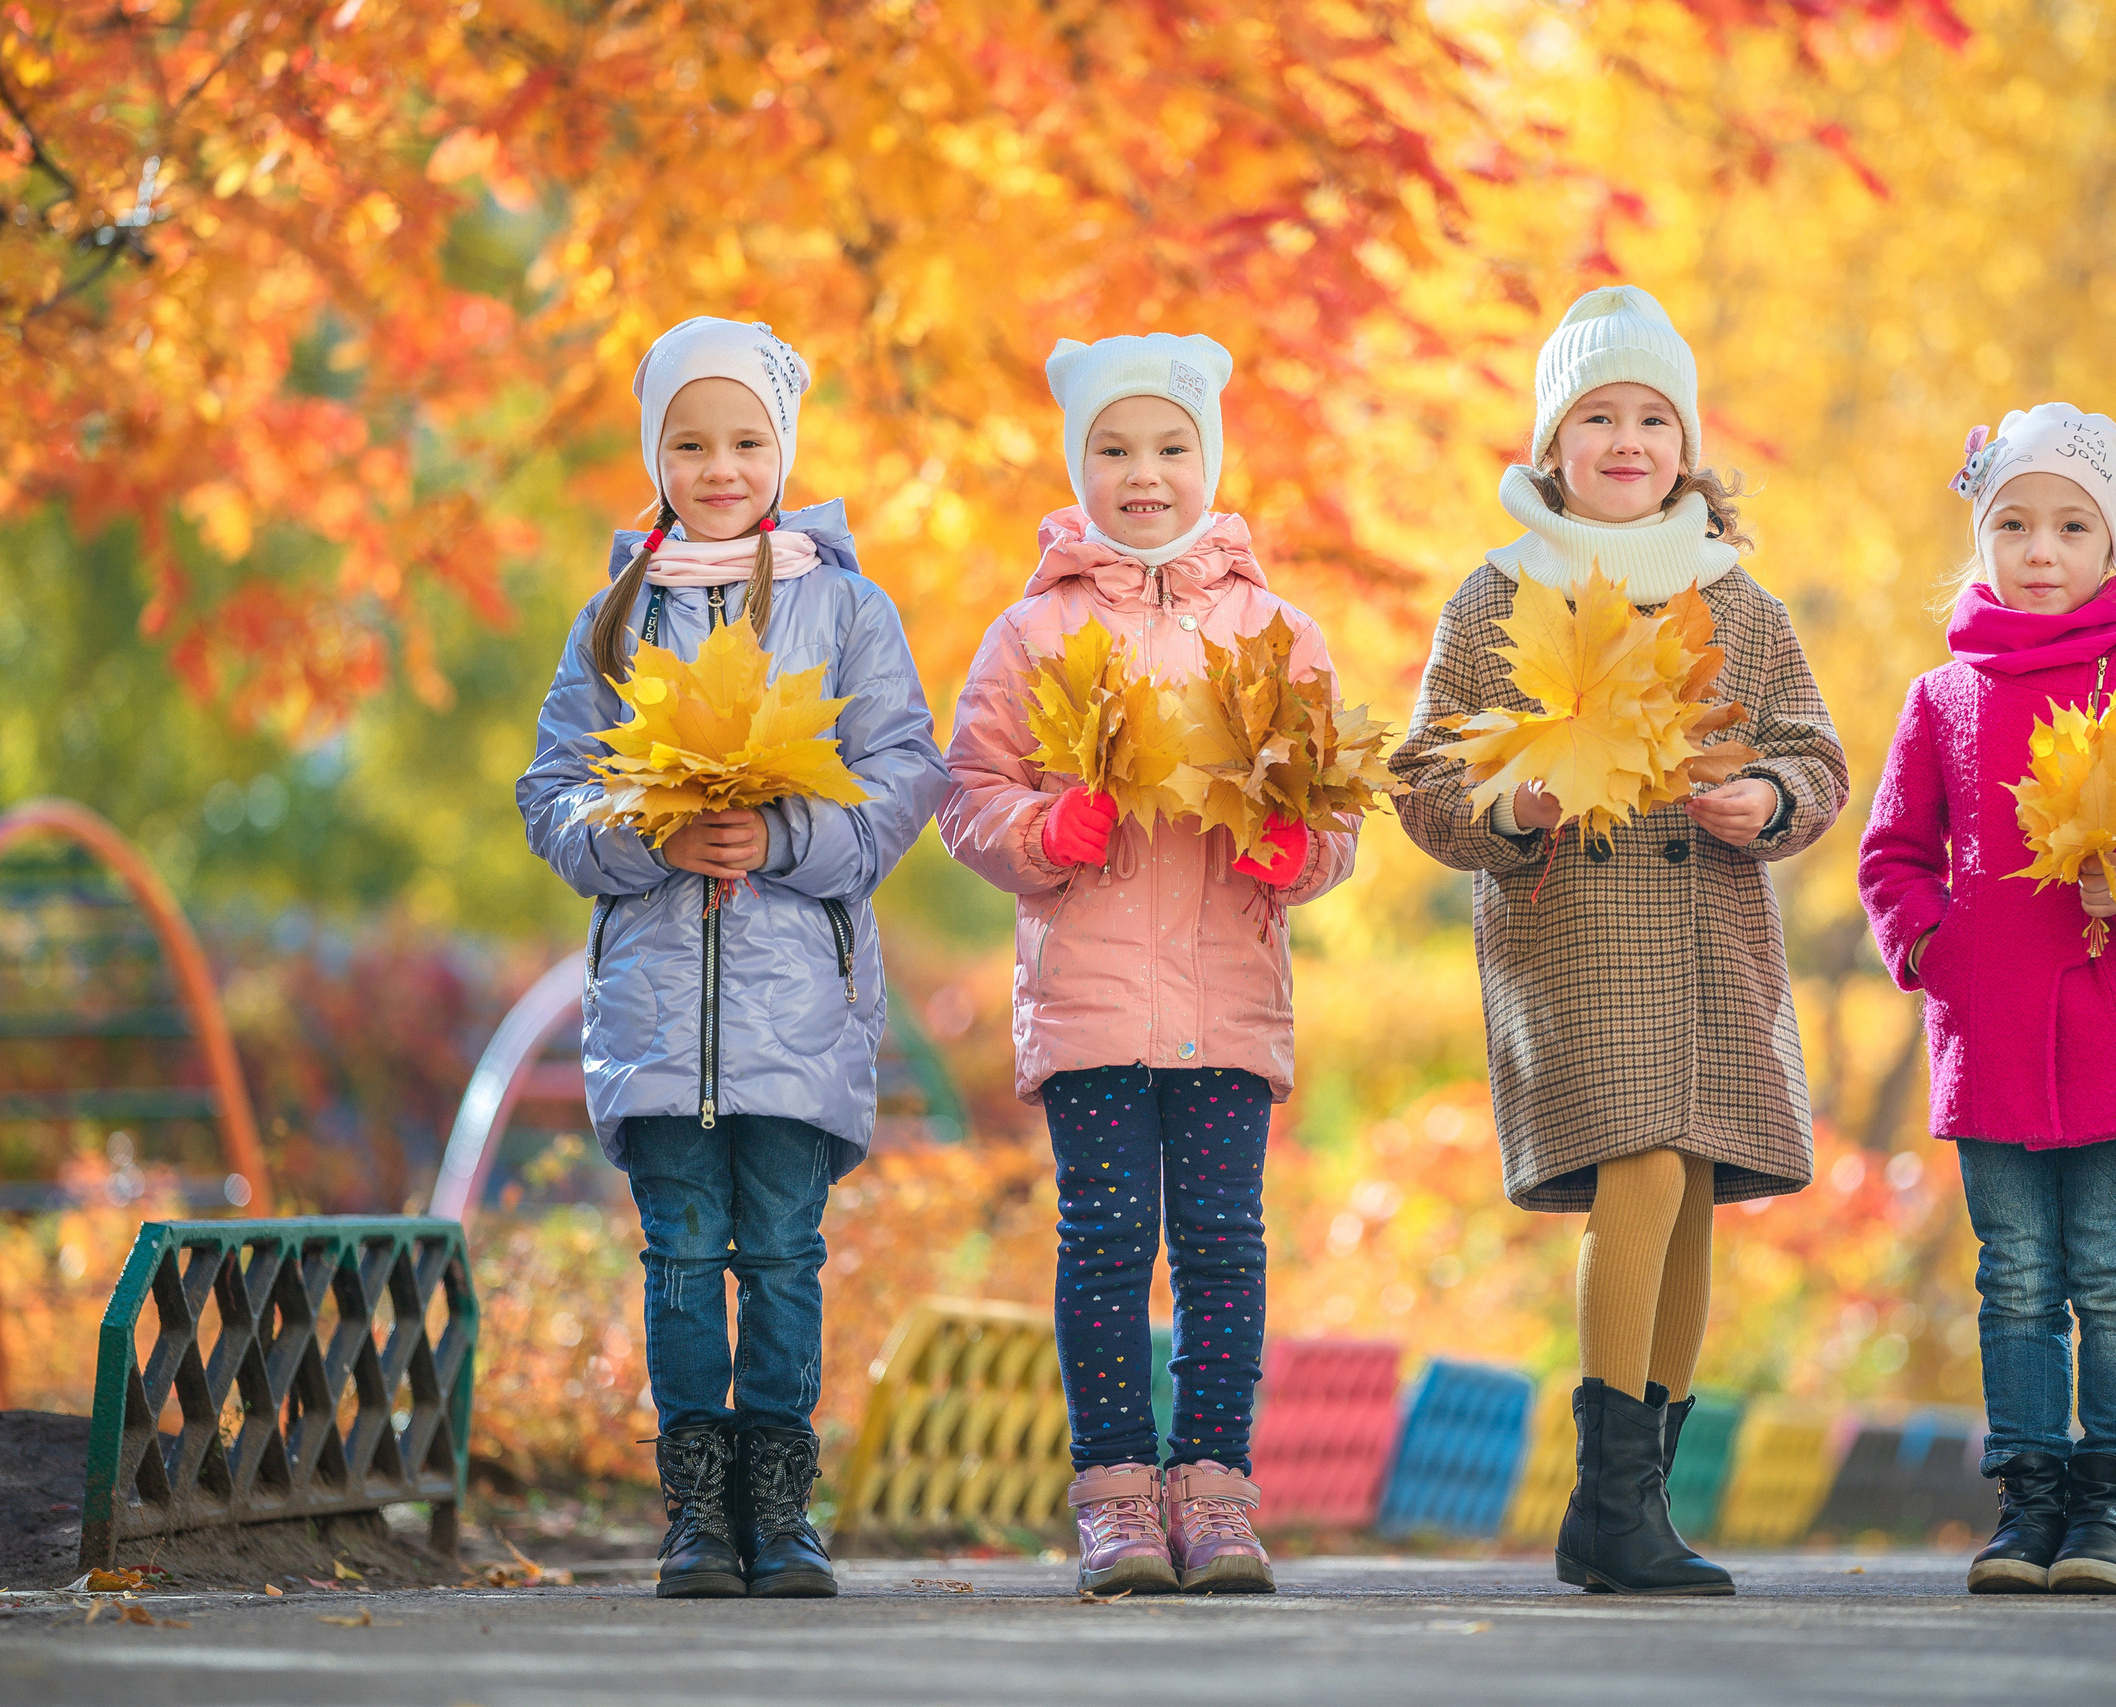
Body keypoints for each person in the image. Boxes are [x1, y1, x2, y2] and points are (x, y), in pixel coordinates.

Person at [1389, 286, 1846, 1596]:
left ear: (1687, 444)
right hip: (1574, 932)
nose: (1629, 438)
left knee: (1692, 1186)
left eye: (1654, 415)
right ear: (1554, 443)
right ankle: (1605, 1495)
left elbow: (1812, 753)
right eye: (1600, 414)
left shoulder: (1734, 601)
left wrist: (1764, 798)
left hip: (1708, 934)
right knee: (1641, 1157)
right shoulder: (1498, 597)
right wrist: (1517, 801)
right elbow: (1426, 775)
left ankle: (1634, 1501)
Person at [518, 317, 949, 1599]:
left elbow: (904, 773)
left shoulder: (844, 605)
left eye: (746, 440)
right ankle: (697, 1515)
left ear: (785, 448)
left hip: (796, 1012)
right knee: (679, 1260)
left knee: (781, 1258)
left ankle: (782, 1509)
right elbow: (554, 791)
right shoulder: (614, 619)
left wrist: (780, 836)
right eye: (690, 441)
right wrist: (651, 835)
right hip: (655, 1011)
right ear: (657, 452)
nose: (721, 465)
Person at [940, 333, 1358, 1595]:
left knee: (1226, 1245)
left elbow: (1335, 813)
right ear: (1080, 465)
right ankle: (1119, 1501)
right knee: (1110, 1241)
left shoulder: (1277, 632)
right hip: (1092, 999)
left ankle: (1217, 1499)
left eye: (1170, 448)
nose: (1143, 473)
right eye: (1115, 450)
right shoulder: (1034, 632)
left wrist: (1300, 849)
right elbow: (968, 793)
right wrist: (1038, 836)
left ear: (1208, 462)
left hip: (1230, 997)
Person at [1859, 404, 2116, 1595]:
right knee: (2016, 1274)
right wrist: (1929, 947)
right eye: (2014, 524)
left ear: (2109, 546)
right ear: (1979, 541)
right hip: (1993, 1033)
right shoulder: (1941, 701)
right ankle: (2027, 1497)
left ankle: (2111, 1500)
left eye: (2072, 526)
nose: (2041, 550)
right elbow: (1891, 854)